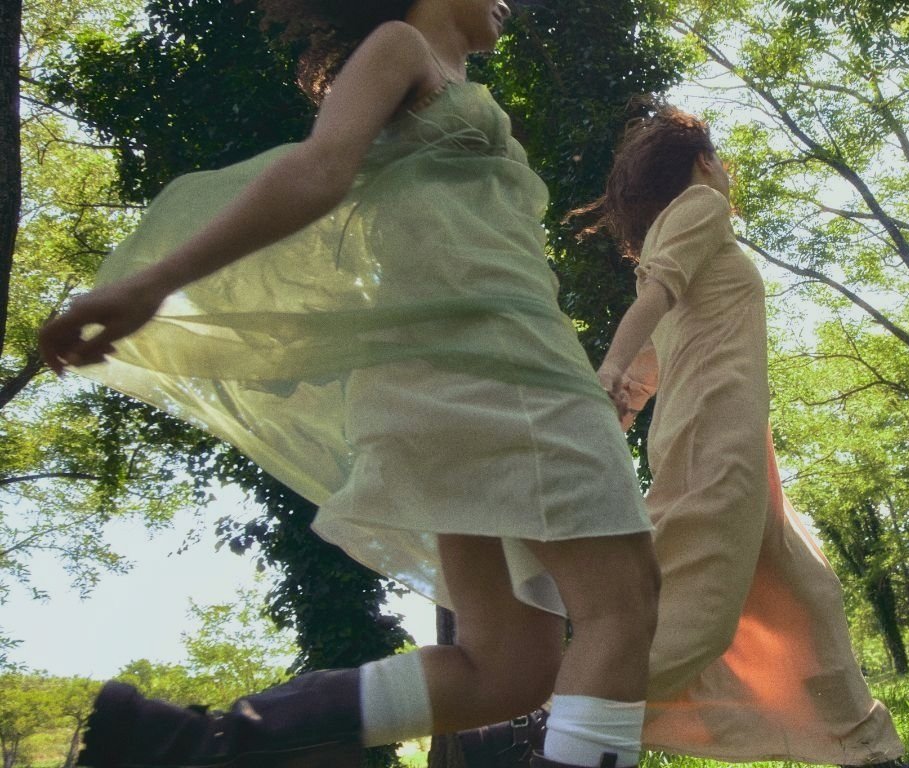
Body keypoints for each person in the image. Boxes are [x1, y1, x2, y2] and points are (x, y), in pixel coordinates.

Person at [37, 2, 661, 768]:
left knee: (506, 669)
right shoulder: (401, 46)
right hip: (500, 369)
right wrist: (155, 284)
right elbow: (318, 168)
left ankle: (197, 744)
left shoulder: (451, 79)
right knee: (622, 605)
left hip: (468, 377)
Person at [455, 107, 909, 768]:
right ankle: (534, 730)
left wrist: (624, 396)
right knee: (692, 619)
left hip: (735, 443)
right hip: (715, 442)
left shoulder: (676, 239)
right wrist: (607, 376)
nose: (725, 172)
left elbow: (654, 359)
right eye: (718, 158)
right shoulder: (700, 207)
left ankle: (871, 756)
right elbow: (654, 308)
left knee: (811, 598)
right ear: (702, 161)